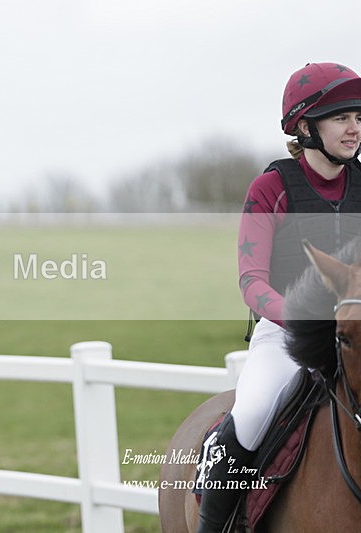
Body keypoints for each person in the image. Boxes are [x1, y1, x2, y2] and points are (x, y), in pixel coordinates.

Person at [196, 62, 361, 531]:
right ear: (306, 126)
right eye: (342, 118)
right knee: (249, 415)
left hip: (360, 334)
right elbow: (252, 282)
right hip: (288, 337)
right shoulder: (271, 188)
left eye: (359, 119)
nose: (354, 129)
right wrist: (306, 317)